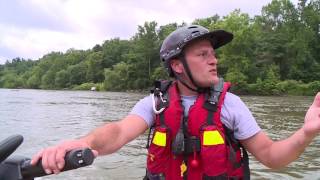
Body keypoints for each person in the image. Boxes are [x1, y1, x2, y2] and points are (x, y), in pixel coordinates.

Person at [31, 25, 320, 179]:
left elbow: (271, 156)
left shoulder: (231, 105)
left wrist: (306, 133)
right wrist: (86, 143)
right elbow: (118, 132)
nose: (214, 60)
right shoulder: (155, 104)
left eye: (213, 54)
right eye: (203, 54)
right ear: (178, 65)